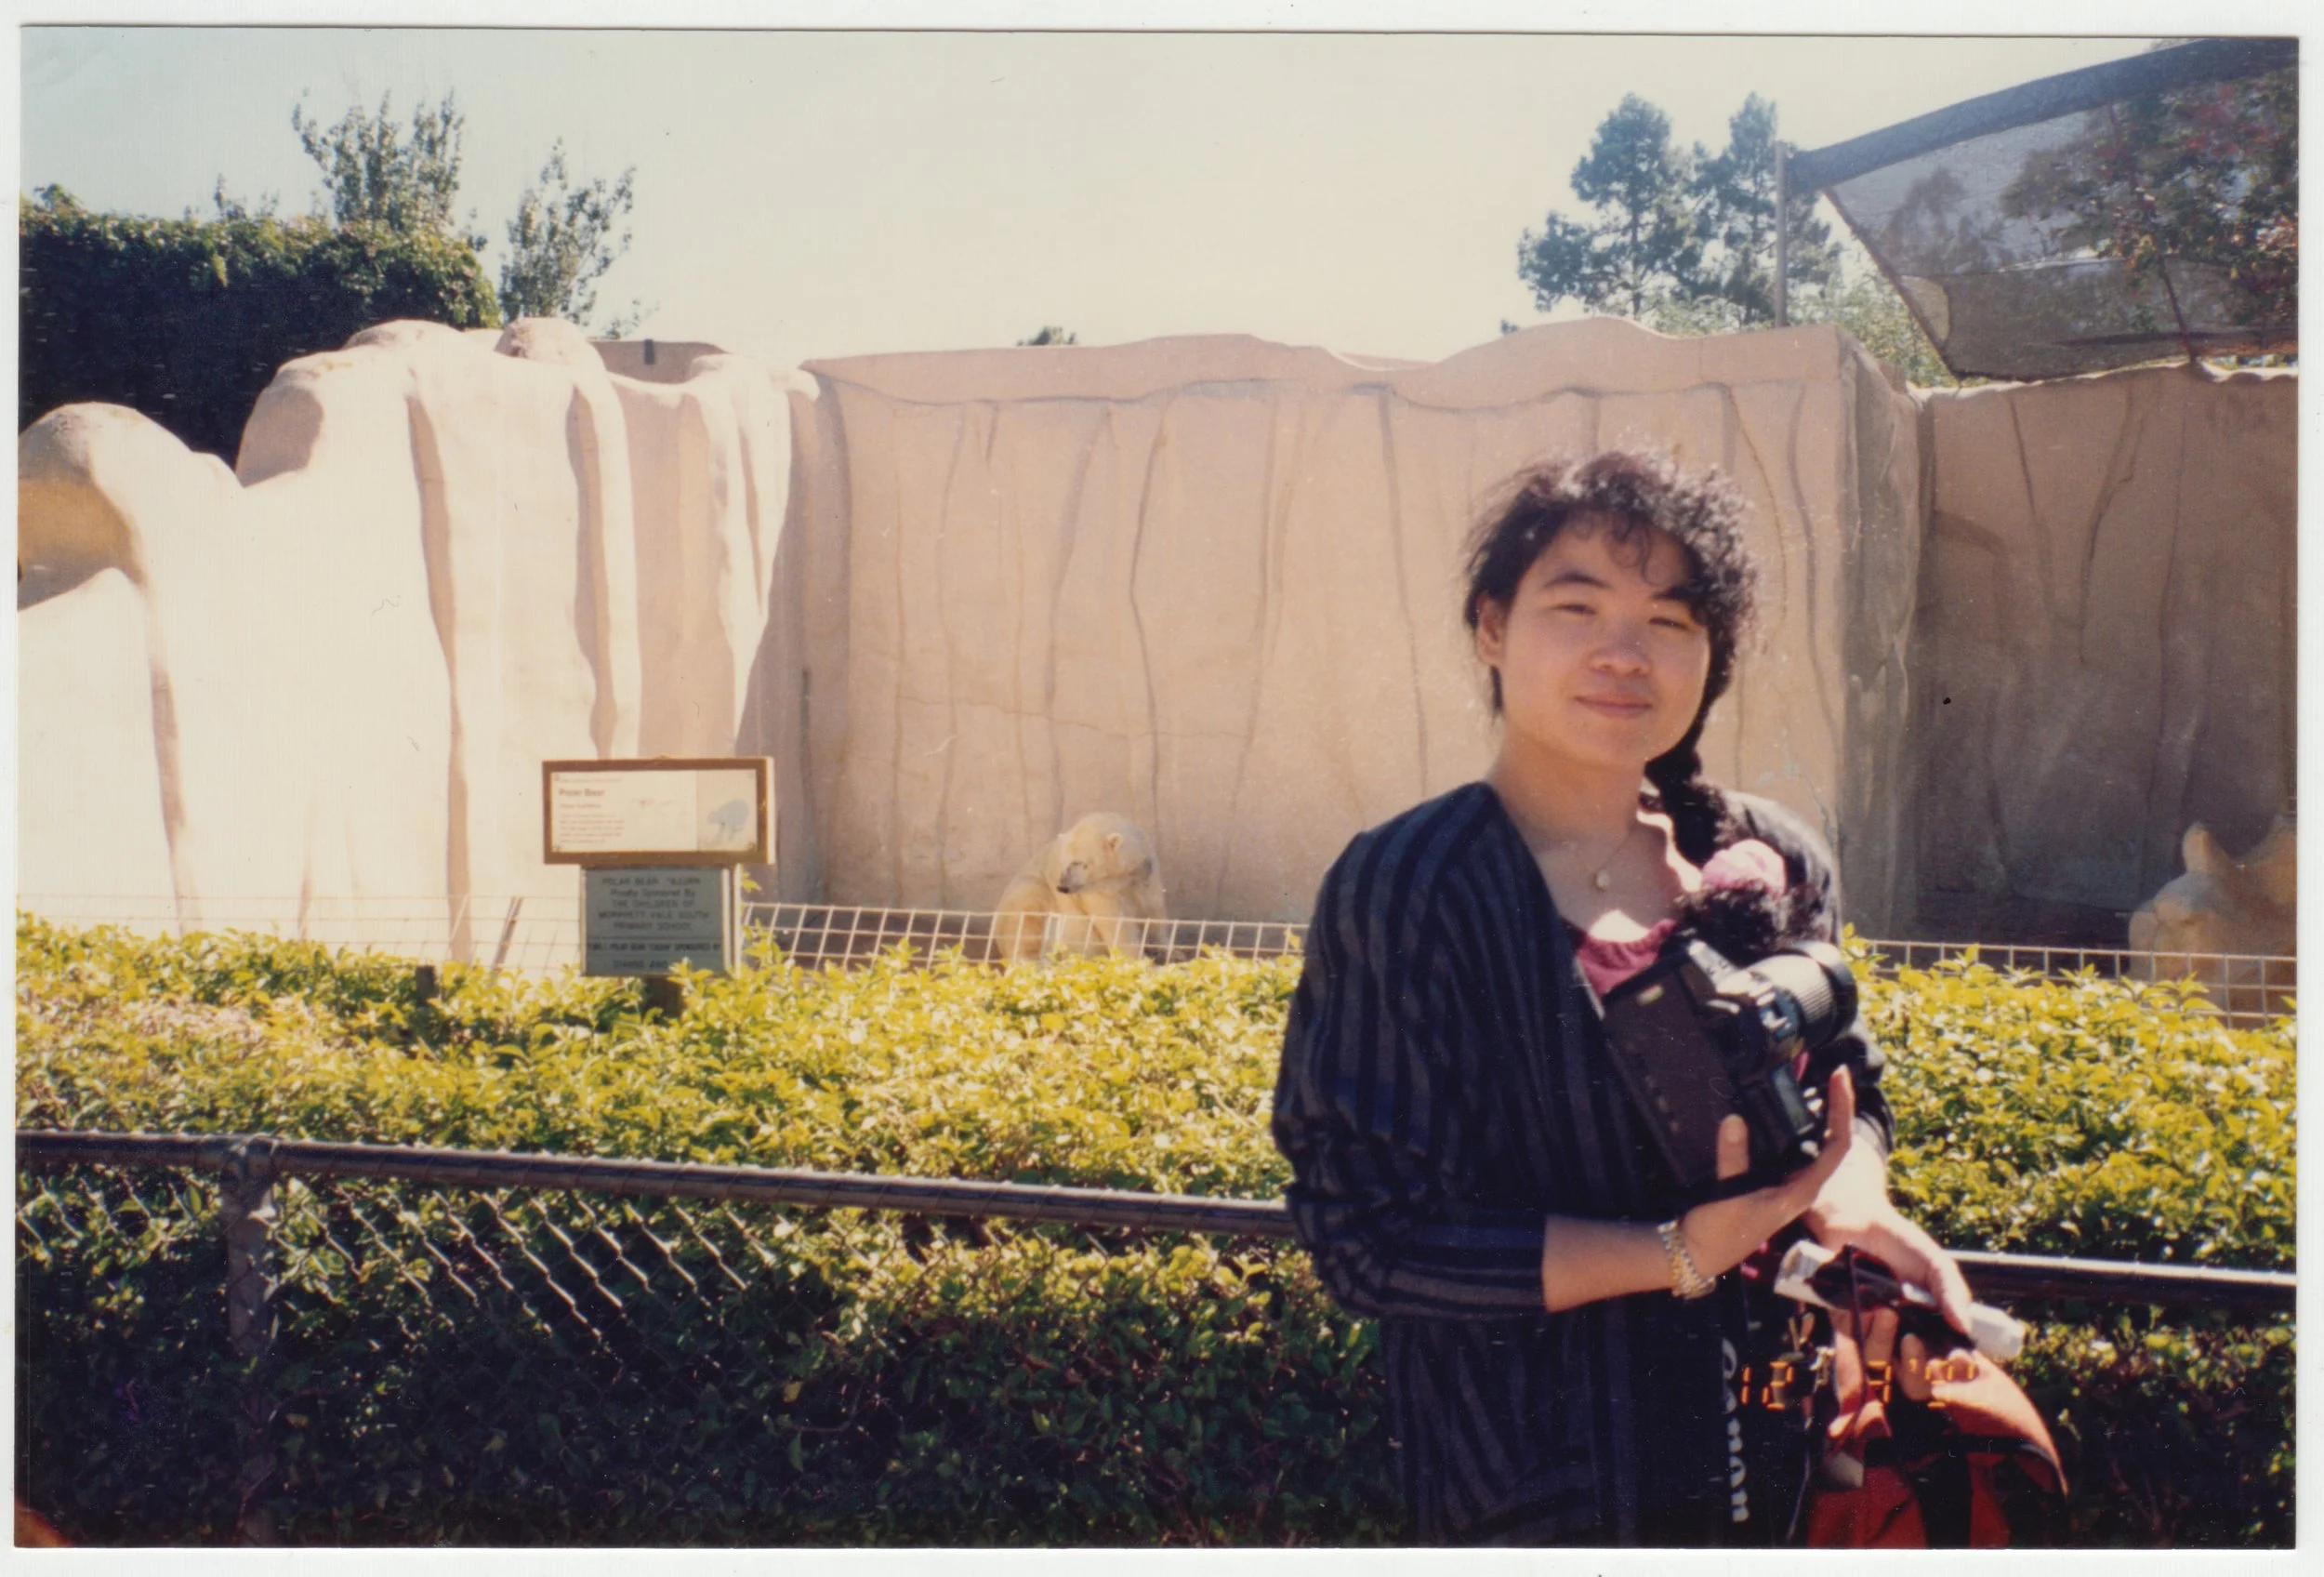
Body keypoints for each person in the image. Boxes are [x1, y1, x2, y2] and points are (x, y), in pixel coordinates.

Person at [1271, 449, 1976, 1546]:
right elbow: (1367, 1237)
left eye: (1671, 620)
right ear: (1492, 627)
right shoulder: (1410, 884)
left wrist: (1855, 1199)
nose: (1623, 651)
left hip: (1774, 1449)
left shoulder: (1767, 854)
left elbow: (1849, 1079)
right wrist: (1677, 1251)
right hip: (1525, 1479)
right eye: (1577, 603)